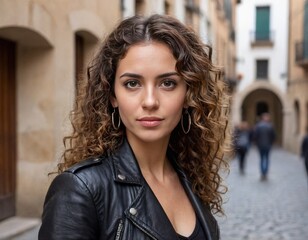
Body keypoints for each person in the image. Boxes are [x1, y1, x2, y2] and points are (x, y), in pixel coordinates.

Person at [38, 14, 230, 240]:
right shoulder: (80, 190)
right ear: (112, 95)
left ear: (189, 94)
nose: (150, 101)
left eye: (167, 83)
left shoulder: (191, 178)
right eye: (132, 84)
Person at [254, 113, 276, 180]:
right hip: (268, 145)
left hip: (260, 145)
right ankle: (265, 173)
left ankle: (262, 173)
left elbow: (255, 136)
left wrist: (257, 143)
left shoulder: (258, 126)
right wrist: (271, 143)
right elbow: (273, 136)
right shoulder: (270, 126)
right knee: (266, 158)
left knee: (261, 159)